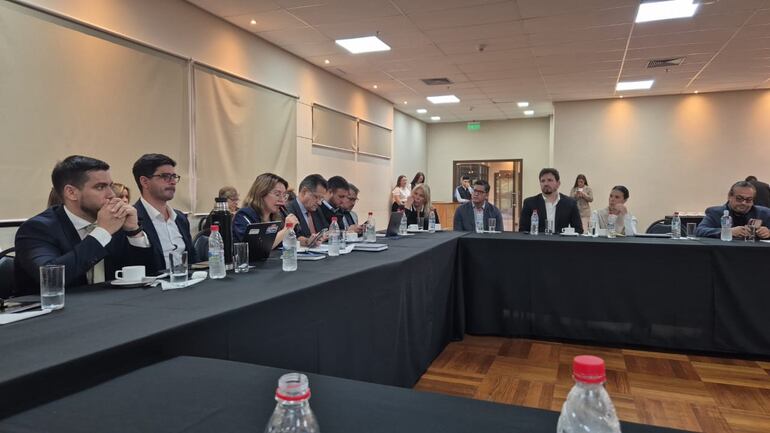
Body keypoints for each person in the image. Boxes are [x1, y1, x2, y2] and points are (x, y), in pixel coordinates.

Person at [14, 156, 151, 293]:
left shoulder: (115, 221)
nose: (111, 195)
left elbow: (150, 275)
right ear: (71, 193)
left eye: (111, 186)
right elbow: (50, 277)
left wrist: (134, 232)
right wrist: (102, 232)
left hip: (114, 302)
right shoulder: (37, 228)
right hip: (58, 305)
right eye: (100, 187)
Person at [132, 153, 197, 275]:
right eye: (165, 176)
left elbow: (192, 259)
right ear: (145, 182)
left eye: (174, 176)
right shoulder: (130, 220)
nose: (172, 182)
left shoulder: (180, 218)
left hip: (186, 281)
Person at [232, 173, 300, 249]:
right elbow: (257, 247)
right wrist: (287, 228)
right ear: (261, 193)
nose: (282, 200)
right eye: (277, 194)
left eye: (284, 196)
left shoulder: (277, 216)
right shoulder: (244, 215)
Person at [695, 180, 770, 239]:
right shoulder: (715, 212)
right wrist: (728, 231)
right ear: (729, 196)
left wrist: (768, 232)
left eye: (749, 200)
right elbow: (700, 230)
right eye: (739, 198)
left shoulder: (764, 213)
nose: (743, 203)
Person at [519, 168, 583, 234]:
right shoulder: (529, 203)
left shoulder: (570, 203)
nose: (546, 184)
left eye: (550, 180)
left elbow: (578, 230)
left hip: (561, 240)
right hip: (538, 240)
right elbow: (523, 231)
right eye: (543, 181)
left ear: (558, 183)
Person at [284, 174, 328, 246]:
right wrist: (307, 241)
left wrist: (324, 236)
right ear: (304, 192)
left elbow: (325, 229)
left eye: (321, 199)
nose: (319, 203)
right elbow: (289, 238)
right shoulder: (288, 210)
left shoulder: (317, 210)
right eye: (316, 197)